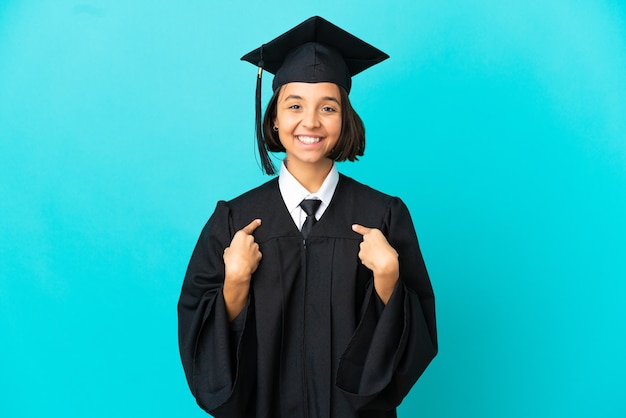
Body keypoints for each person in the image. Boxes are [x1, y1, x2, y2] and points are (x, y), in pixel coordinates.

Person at [178, 16, 437, 418]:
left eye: (328, 107)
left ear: (345, 118)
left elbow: (417, 343)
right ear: (275, 118)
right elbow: (199, 344)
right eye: (295, 105)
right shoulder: (234, 221)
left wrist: (389, 280)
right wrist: (234, 284)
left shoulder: (383, 216)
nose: (311, 122)